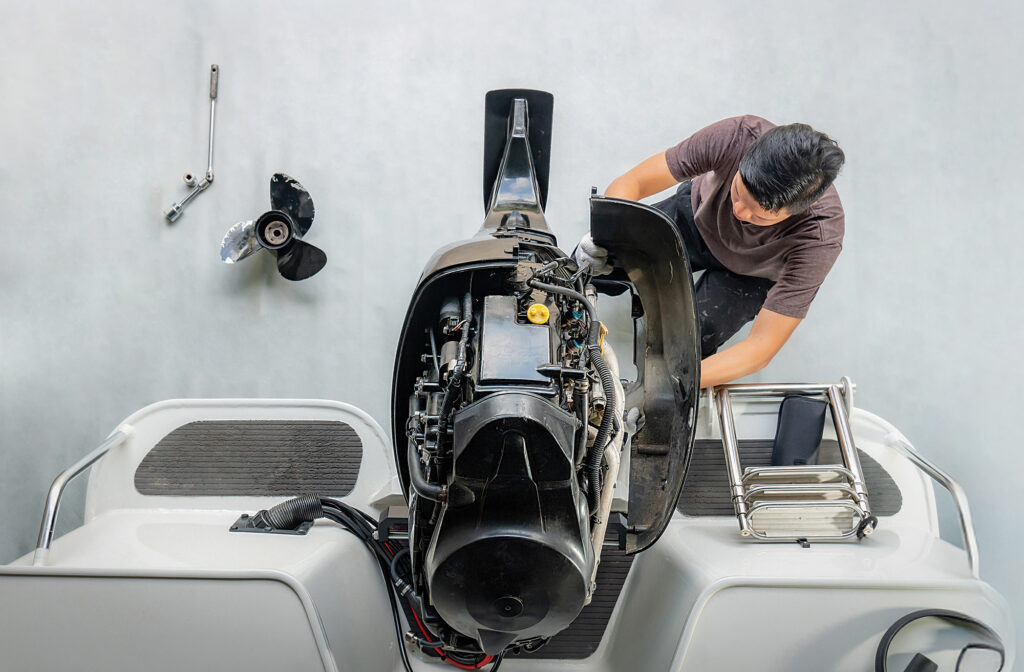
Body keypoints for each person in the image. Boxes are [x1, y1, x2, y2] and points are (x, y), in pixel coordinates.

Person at [577, 115, 845, 388]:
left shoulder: (819, 237)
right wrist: (611, 232)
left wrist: (677, 383)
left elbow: (761, 347)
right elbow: (634, 182)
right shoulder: (738, 136)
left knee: (683, 346)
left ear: (799, 211)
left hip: (750, 274)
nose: (738, 212)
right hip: (696, 217)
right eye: (738, 192)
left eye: (758, 215)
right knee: (592, 267)